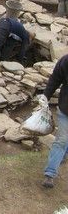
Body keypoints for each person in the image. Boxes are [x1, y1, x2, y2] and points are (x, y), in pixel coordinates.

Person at [41, 53, 68, 188]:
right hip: (66, 108)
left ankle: (63, 154)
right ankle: (50, 174)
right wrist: (45, 96)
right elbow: (55, 79)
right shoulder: (65, 61)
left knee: (65, 141)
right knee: (61, 140)